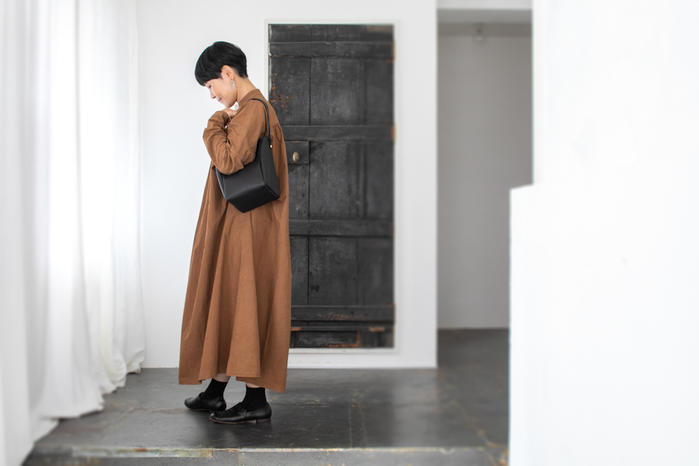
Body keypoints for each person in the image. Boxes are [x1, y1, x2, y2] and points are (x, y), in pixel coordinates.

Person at [178, 41, 292, 424]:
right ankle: (215, 392)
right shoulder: (251, 110)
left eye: (211, 85)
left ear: (227, 73)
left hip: (247, 225)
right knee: (231, 301)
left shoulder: (253, 109)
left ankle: (256, 400)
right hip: (243, 221)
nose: (212, 95)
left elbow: (227, 160)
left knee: (243, 301)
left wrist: (214, 124)